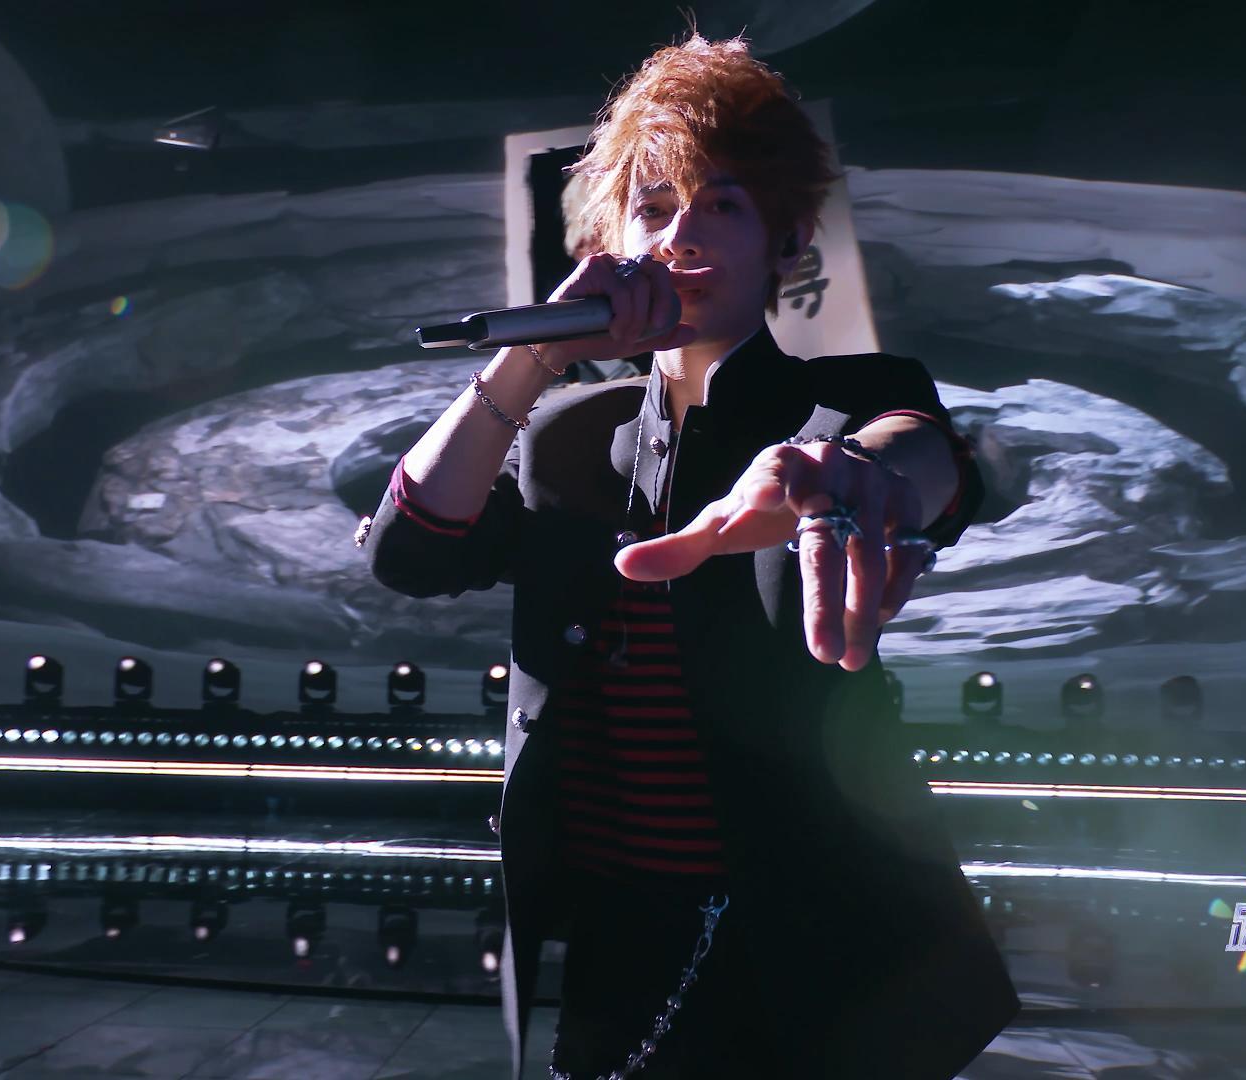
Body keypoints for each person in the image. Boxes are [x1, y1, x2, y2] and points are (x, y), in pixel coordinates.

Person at [361, 30, 1018, 1080]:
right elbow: (412, 553)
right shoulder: (564, 434)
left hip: (808, 932)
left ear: (786, 242)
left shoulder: (845, 399)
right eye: (655, 207)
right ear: (612, 238)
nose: (681, 237)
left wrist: (863, 476)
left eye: (722, 205)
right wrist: (531, 361)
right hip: (615, 927)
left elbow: (925, 456)